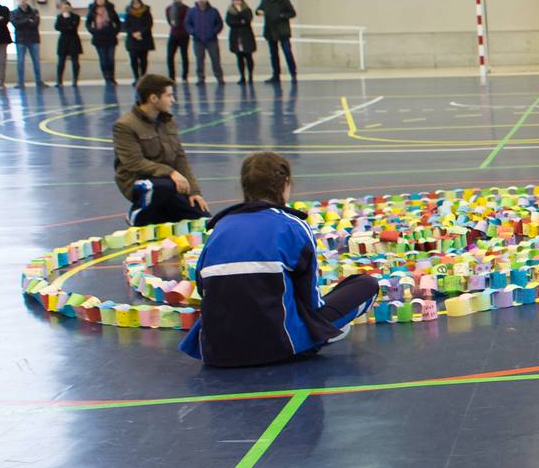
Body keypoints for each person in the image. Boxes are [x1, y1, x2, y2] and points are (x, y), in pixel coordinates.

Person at [179, 152, 379, 368]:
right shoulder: (293, 226)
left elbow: (204, 289)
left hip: (218, 352)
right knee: (366, 284)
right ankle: (319, 337)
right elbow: (311, 302)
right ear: (285, 183)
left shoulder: (219, 229)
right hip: (280, 348)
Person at [114, 73, 208, 226]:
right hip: (138, 182)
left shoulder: (167, 121)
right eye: (169, 95)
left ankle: (159, 211)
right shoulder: (124, 126)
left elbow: (179, 157)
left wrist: (194, 192)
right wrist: (170, 172)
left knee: (201, 217)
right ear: (153, 98)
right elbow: (133, 163)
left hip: (168, 183)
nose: (173, 100)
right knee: (162, 186)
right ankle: (136, 216)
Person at [256, 0, 298, 82]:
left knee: (287, 52)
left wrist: (282, 16)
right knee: (273, 55)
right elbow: (258, 10)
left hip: (282, 30)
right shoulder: (264, 1)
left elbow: (292, 13)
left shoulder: (284, 1)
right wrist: (258, 12)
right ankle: (276, 75)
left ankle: (293, 74)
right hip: (271, 31)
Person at [185, 0, 225, 84]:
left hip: (212, 40)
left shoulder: (214, 11)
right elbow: (187, 23)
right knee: (199, 60)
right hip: (197, 40)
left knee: (215, 59)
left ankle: (219, 78)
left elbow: (219, 23)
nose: (201, 0)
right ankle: (200, 78)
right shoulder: (191, 11)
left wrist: (214, 32)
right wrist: (193, 32)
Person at [87, 0, 121, 85]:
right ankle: (106, 78)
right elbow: (88, 23)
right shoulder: (92, 10)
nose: (101, 1)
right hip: (98, 37)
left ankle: (112, 77)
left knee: (110, 58)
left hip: (110, 37)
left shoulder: (110, 10)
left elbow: (118, 23)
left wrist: (115, 31)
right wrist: (93, 30)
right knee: (103, 58)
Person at [11, 0, 43, 88]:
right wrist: (27, 20)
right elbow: (16, 24)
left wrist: (23, 21)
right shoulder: (13, 13)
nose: (22, 1)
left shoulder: (34, 11)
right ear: (18, 0)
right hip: (21, 40)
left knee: (36, 61)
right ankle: (20, 82)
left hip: (33, 39)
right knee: (20, 61)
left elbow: (35, 23)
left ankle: (39, 81)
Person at [226, 0, 257, 83]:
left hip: (246, 36)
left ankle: (250, 75)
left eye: (238, 0)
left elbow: (248, 19)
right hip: (236, 37)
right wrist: (241, 21)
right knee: (239, 57)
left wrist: (240, 13)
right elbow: (230, 22)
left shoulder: (247, 10)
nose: (237, 2)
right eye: (235, 0)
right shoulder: (230, 11)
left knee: (248, 56)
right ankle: (242, 76)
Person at [123, 0, 154, 82]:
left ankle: (143, 76)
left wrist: (140, 32)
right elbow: (126, 26)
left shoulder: (146, 13)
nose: (136, 5)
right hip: (132, 40)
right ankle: (136, 77)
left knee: (143, 59)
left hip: (144, 39)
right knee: (133, 59)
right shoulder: (128, 14)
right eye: (134, 3)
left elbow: (149, 25)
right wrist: (133, 33)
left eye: (138, 3)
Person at [53, 1, 83, 87]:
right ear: (62, 8)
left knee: (75, 61)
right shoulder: (59, 17)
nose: (66, 9)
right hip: (63, 40)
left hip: (73, 40)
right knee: (61, 61)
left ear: (70, 8)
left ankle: (75, 80)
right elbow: (57, 27)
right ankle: (59, 81)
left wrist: (65, 26)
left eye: (67, 7)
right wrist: (67, 25)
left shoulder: (76, 17)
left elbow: (73, 27)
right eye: (64, 7)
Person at [163, 0, 190, 81]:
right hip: (173, 34)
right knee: (170, 55)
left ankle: (184, 75)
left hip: (184, 35)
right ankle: (171, 76)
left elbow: (187, 21)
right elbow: (169, 21)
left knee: (184, 55)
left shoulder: (186, 8)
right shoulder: (168, 9)